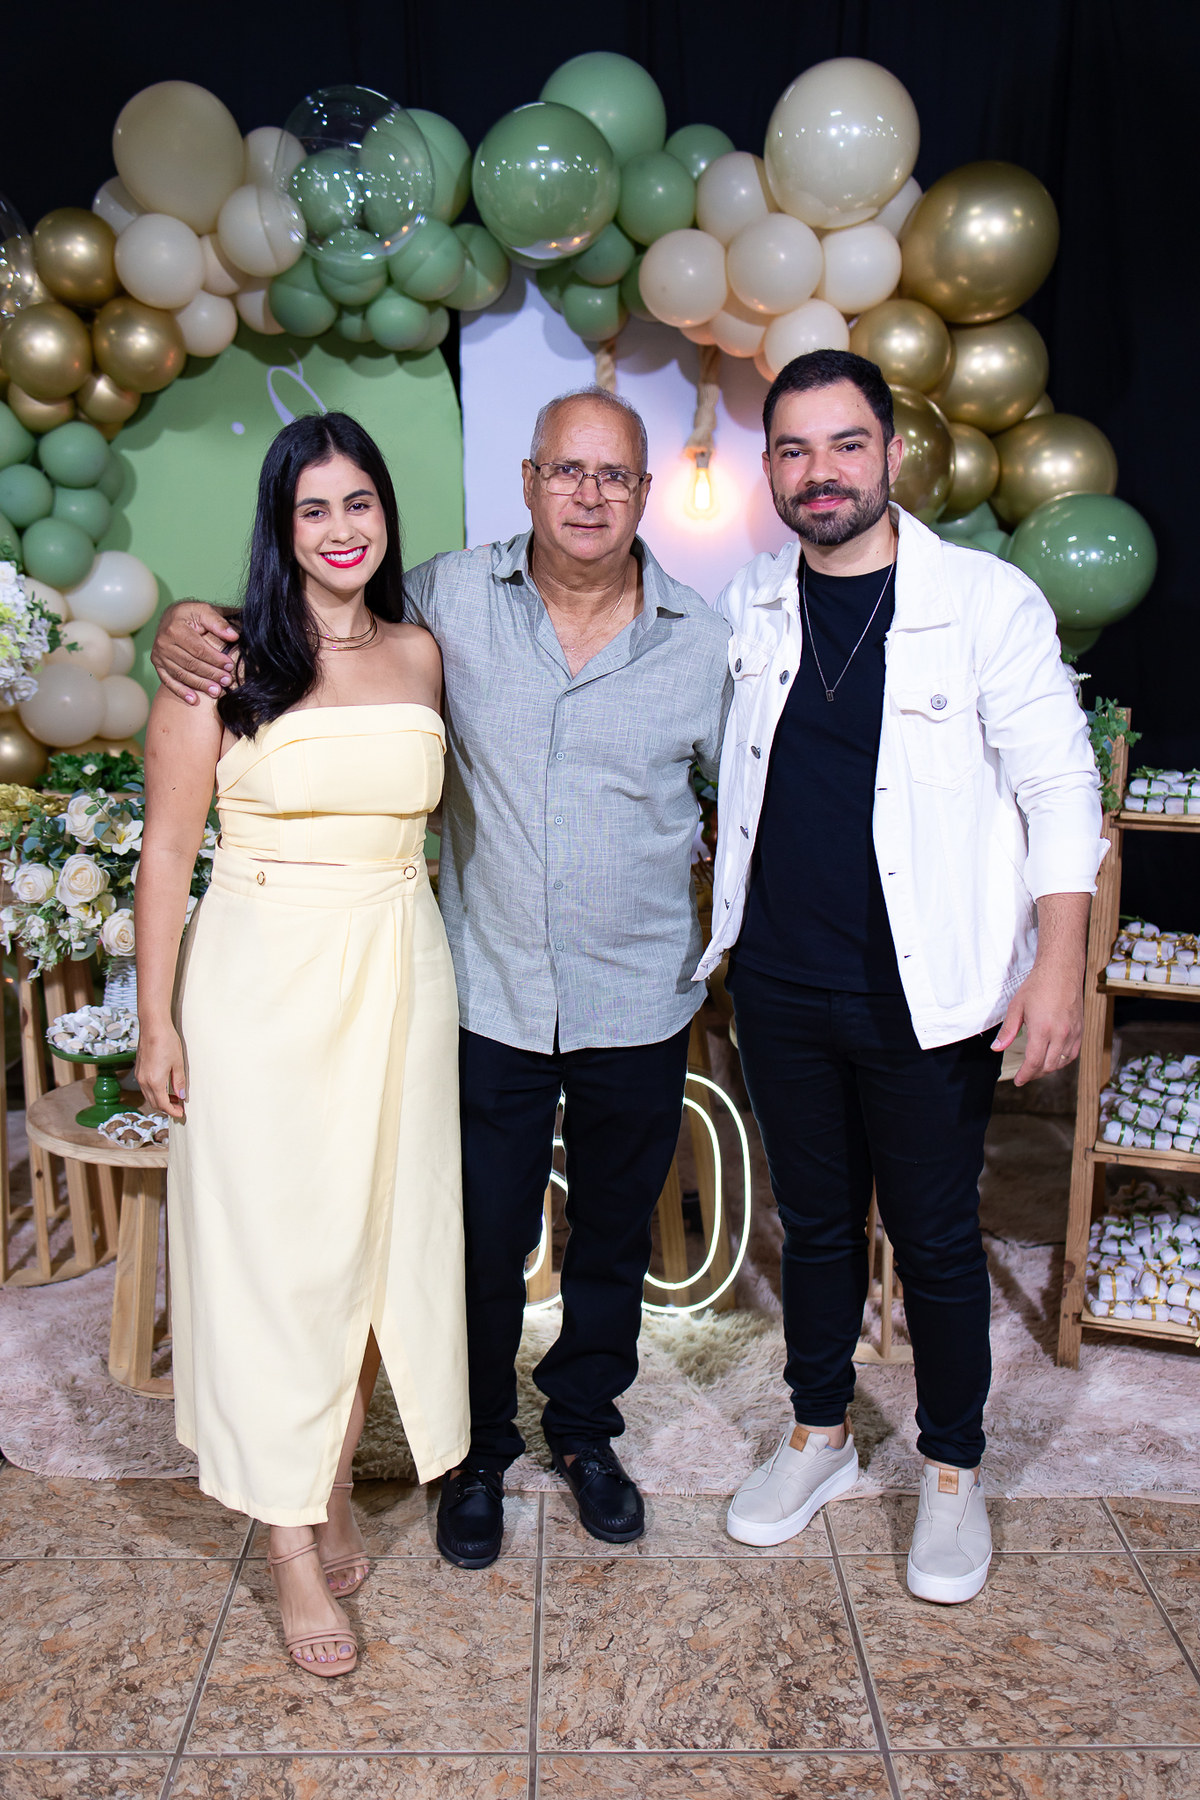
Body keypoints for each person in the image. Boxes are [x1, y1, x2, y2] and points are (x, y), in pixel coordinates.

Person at [149, 387, 732, 1568]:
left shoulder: (705, 643)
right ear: (527, 481)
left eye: (613, 475)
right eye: (565, 470)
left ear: (643, 493)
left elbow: (751, 802)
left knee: (613, 1239)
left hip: (634, 992)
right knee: (469, 1242)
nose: (587, 495)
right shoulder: (446, 603)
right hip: (483, 986)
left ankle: (586, 1432)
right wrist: (182, 621)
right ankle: (474, 1453)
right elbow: (307, 620)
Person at [696, 349, 1103, 1603]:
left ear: (892, 454)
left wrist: (1060, 967)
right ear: (772, 471)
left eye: (845, 445)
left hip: (927, 990)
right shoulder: (752, 602)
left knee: (933, 1236)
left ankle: (952, 1469)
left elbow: (1060, 785)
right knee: (814, 1226)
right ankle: (819, 1432)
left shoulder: (984, 601)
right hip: (780, 979)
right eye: (794, 450)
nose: (820, 472)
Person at [136, 412, 469, 1677]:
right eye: (312, 508)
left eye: (359, 503)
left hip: (401, 962)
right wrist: (157, 1017)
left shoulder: (421, 652)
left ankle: (327, 1482)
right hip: (262, 976)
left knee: (379, 1243)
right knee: (276, 1257)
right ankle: (284, 1542)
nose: (340, 529)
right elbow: (169, 850)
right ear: (282, 528)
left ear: (386, 514)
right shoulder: (219, 663)